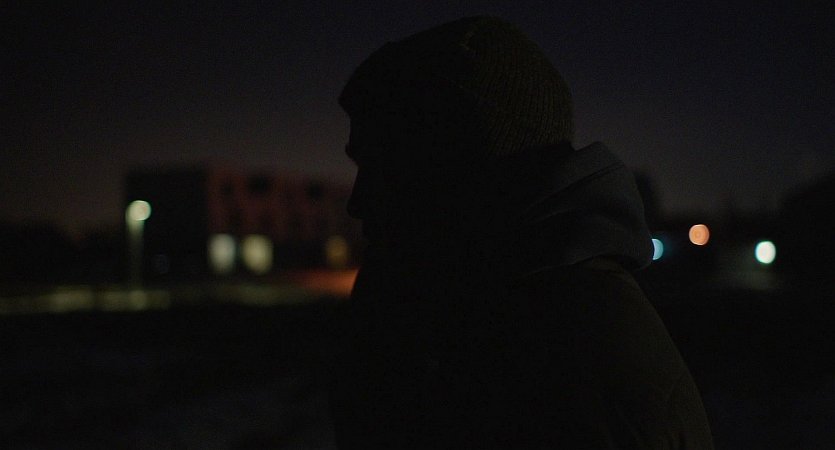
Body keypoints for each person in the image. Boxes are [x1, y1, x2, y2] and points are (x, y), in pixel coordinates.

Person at [328, 16, 714, 449]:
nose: (357, 201)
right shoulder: (420, 296)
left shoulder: (586, 370)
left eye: (384, 166)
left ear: (460, 168)